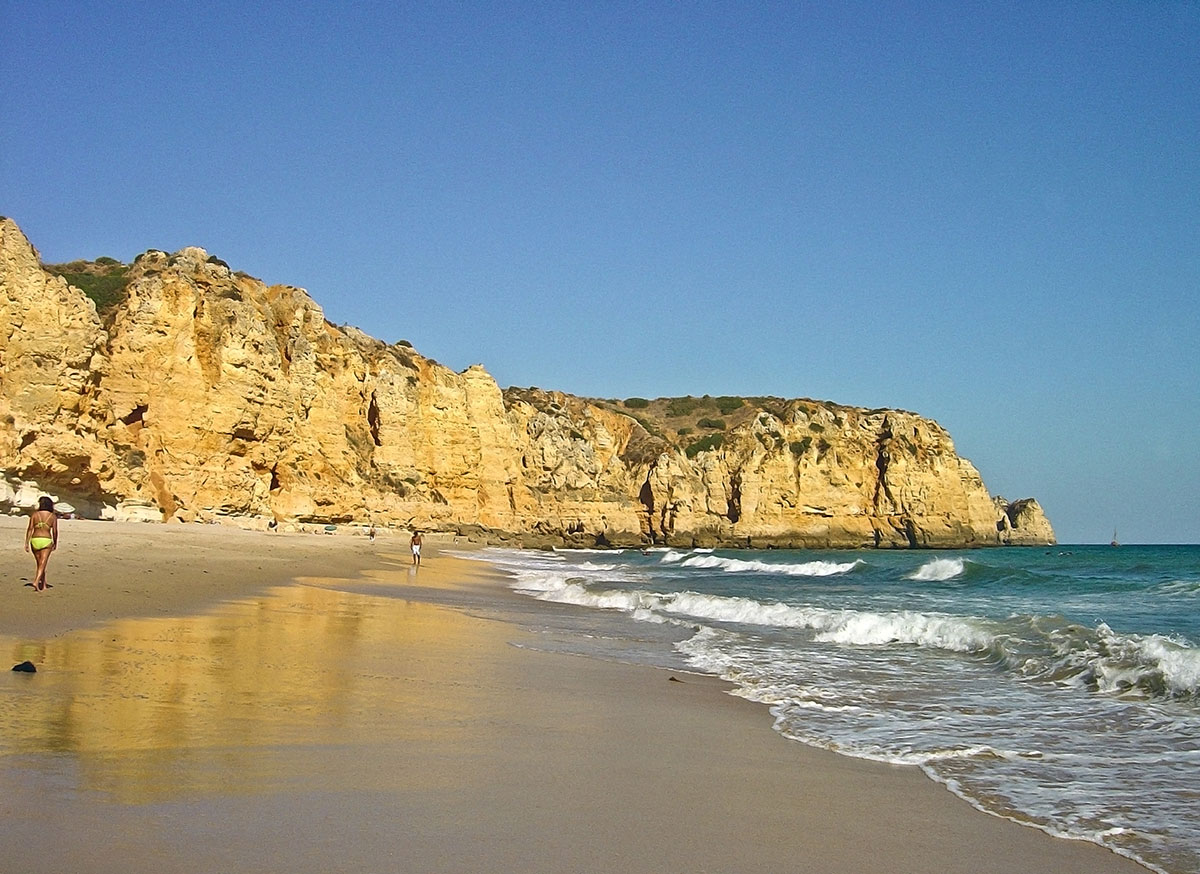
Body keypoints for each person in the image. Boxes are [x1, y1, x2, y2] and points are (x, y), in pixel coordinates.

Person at [24, 496, 58, 592]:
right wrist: (55, 542)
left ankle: (43, 585)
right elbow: (55, 531)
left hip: (35, 539)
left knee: (40, 564)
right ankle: (36, 581)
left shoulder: (35, 515)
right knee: (43, 563)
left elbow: (30, 529)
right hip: (46, 540)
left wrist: (26, 542)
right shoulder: (52, 516)